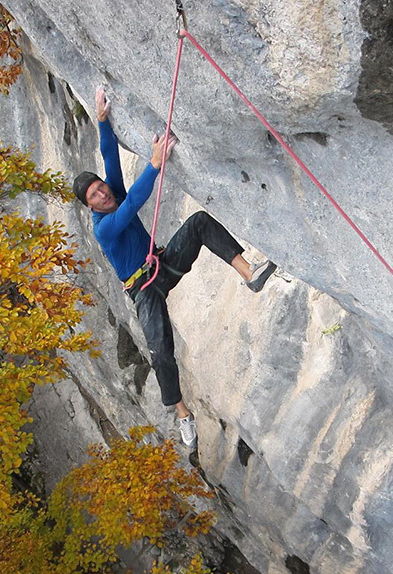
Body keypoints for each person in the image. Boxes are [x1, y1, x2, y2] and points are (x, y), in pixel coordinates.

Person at [73, 87, 276, 448]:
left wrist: (101, 120)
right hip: (143, 290)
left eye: (101, 188)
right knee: (160, 352)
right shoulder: (103, 226)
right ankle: (182, 413)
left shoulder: (111, 192)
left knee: (198, 222)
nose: (103, 193)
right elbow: (133, 202)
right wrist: (154, 164)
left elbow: (110, 159)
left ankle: (249, 274)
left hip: (162, 264)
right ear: (90, 205)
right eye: (95, 196)